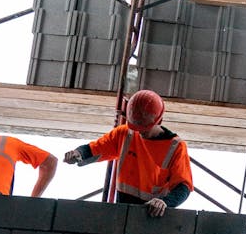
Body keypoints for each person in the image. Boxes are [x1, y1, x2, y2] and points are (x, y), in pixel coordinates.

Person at [62, 90, 193, 217]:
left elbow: (183, 186)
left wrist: (165, 202)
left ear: (159, 121)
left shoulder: (176, 147)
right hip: (122, 209)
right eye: (136, 127)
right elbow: (96, 148)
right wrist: (78, 154)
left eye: (144, 129)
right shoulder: (125, 134)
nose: (139, 132)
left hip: (152, 214)